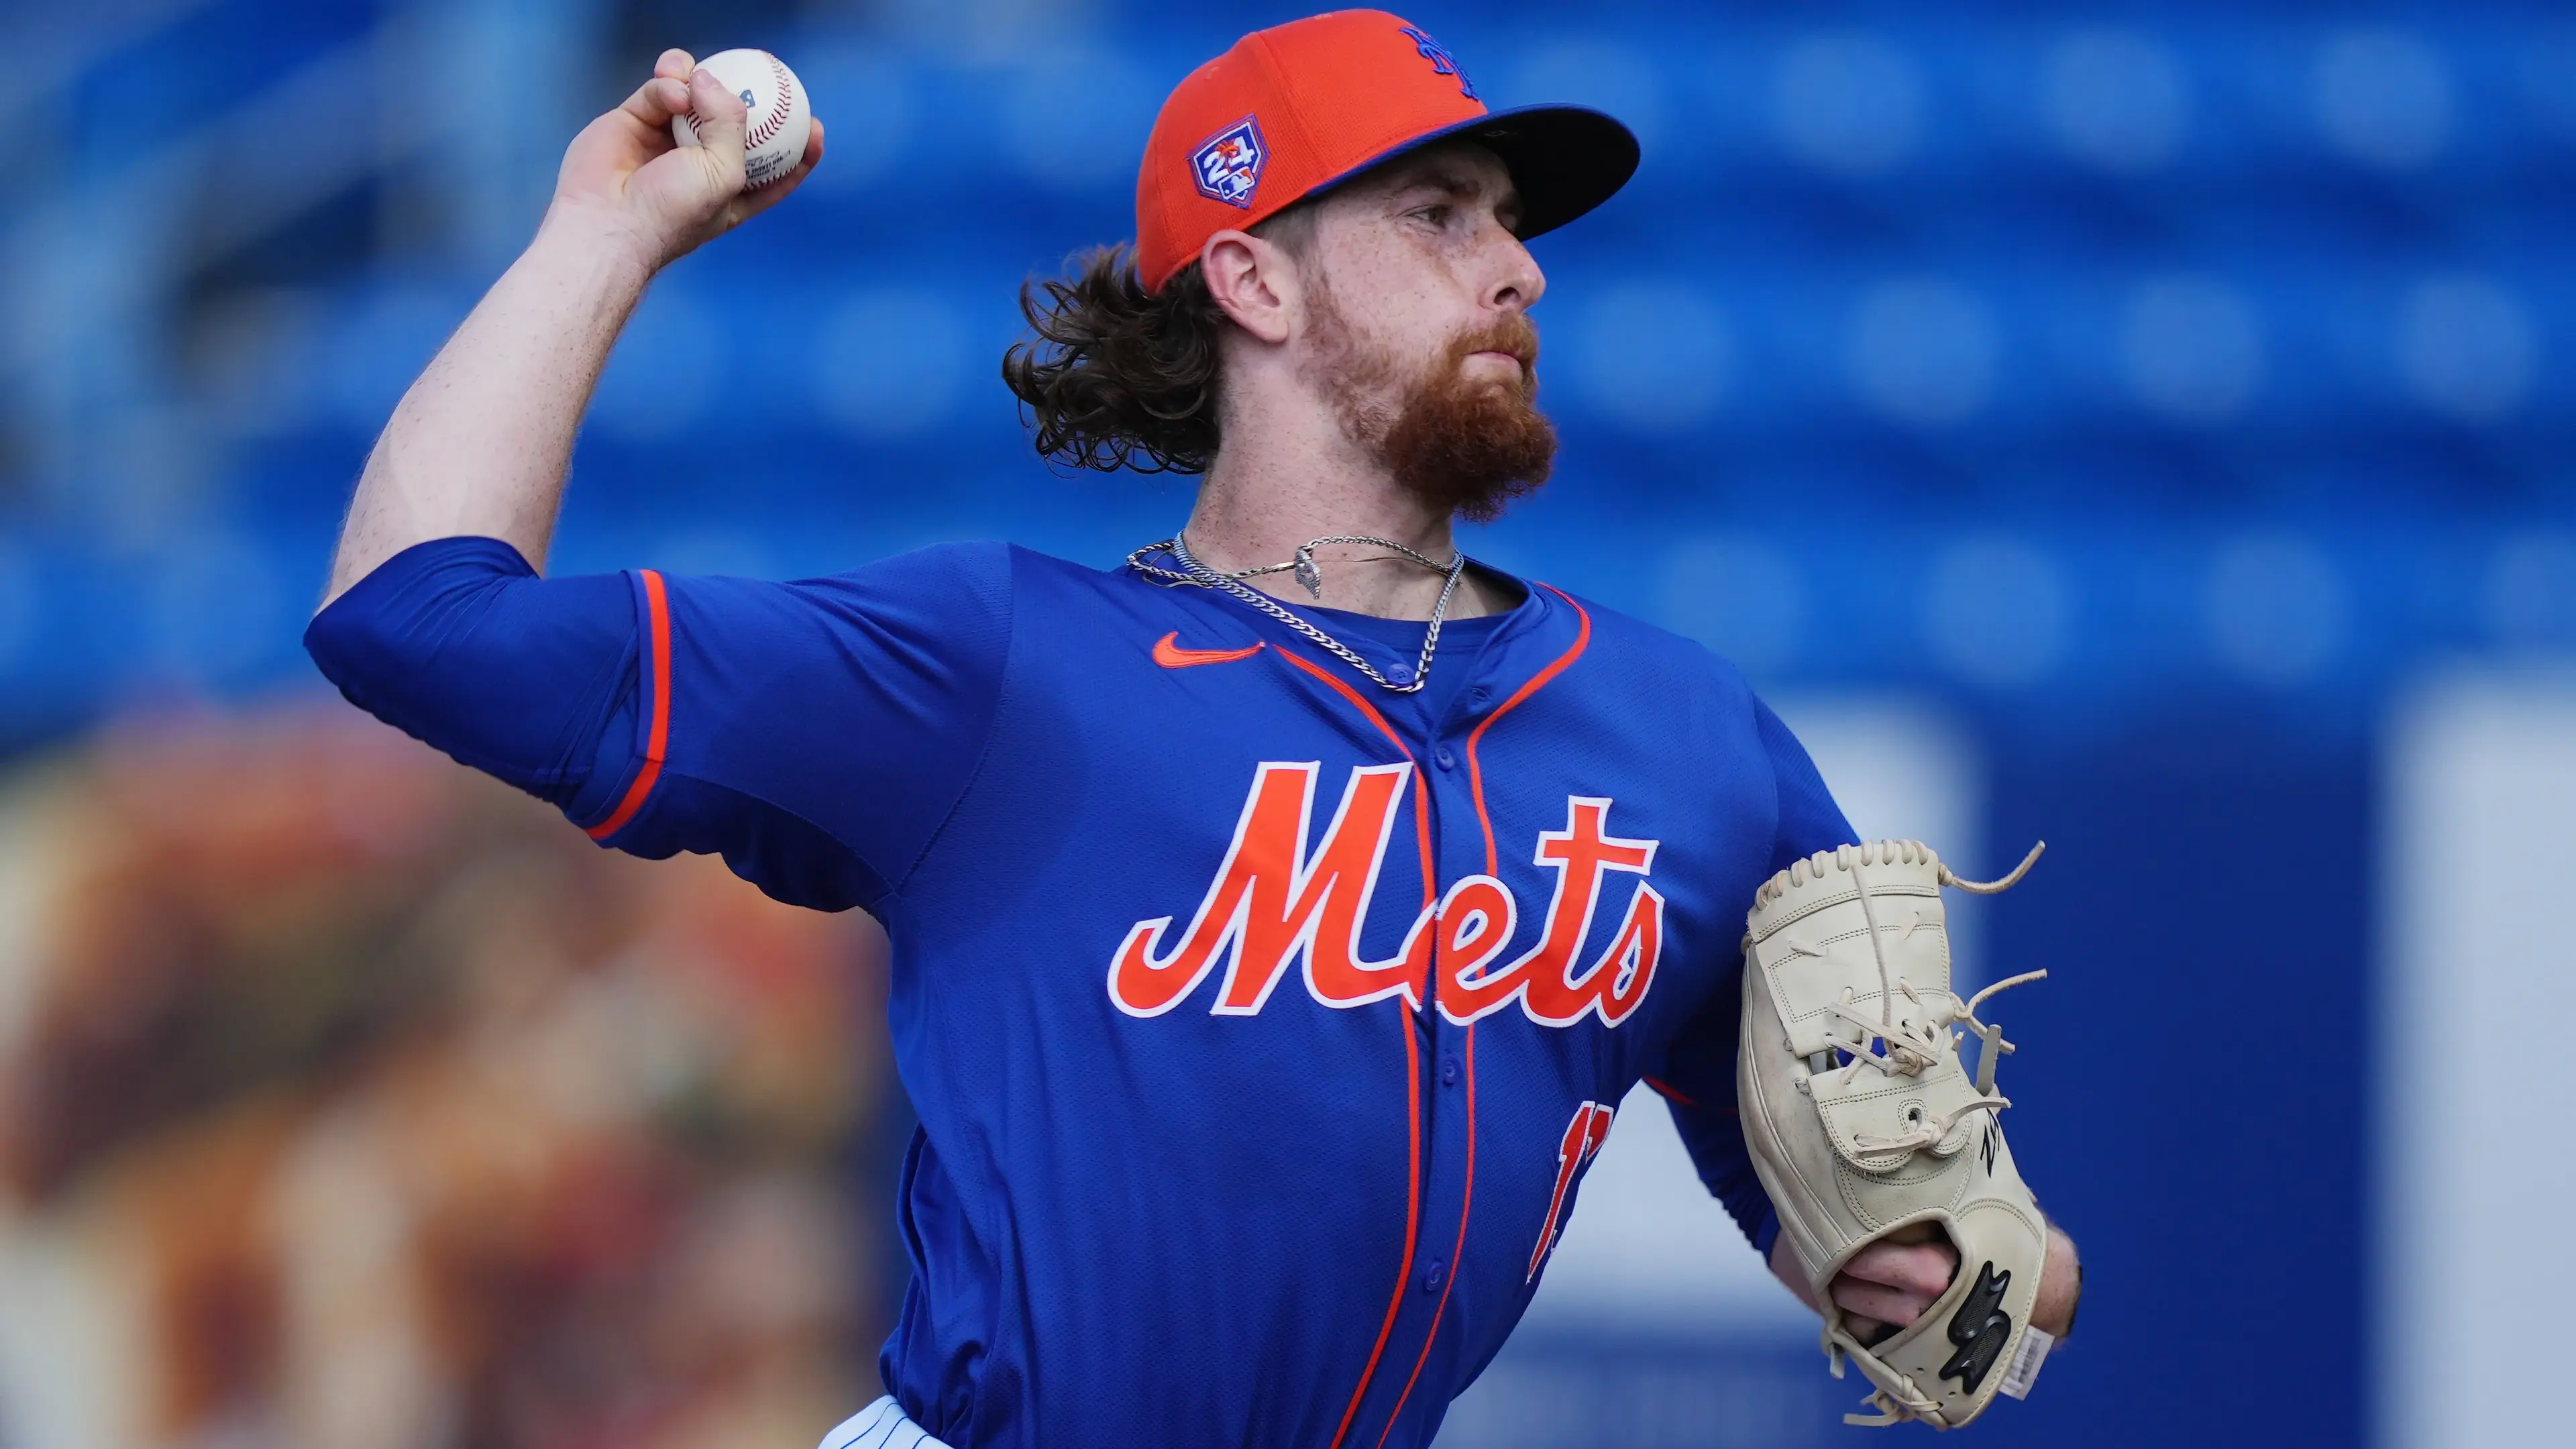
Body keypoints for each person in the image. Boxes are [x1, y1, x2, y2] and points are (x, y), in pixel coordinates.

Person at [307, 12, 2079, 1447]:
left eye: (1516, 226)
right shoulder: (994, 672)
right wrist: (600, 236)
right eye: (1442, 214)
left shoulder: (1687, 740)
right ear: (1254, 278)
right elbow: (417, 624)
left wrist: (1938, 1267)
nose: (1519, 271)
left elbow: (1936, 1262)